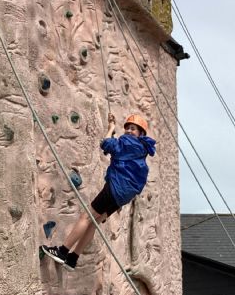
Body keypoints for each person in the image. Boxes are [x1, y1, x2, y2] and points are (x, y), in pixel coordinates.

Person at [40, 112, 156, 271]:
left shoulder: (128, 143)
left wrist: (111, 128)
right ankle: (73, 259)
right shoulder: (141, 150)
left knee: (86, 217)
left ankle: (62, 252)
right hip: (122, 197)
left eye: (133, 129)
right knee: (93, 223)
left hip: (114, 188)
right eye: (128, 128)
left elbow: (106, 144)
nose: (129, 131)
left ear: (141, 133)